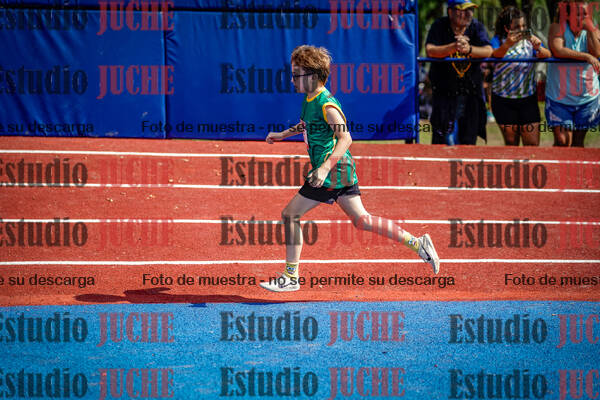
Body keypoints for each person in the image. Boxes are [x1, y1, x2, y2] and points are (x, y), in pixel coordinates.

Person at [259, 45, 440, 292]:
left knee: (290, 215)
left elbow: (346, 138)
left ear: (313, 76)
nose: (292, 80)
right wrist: (282, 134)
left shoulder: (327, 104)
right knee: (362, 220)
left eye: (296, 75)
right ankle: (418, 244)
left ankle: (291, 277)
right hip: (342, 171)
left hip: (332, 172)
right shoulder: (310, 99)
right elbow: (306, 124)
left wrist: (324, 168)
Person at [425, 0, 493, 145]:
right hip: (444, 93)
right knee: (444, 140)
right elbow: (430, 50)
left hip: (470, 94)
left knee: (468, 141)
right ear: (450, 11)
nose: (469, 14)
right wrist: (453, 47)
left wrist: (469, 49)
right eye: (463, 10)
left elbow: (488, 50)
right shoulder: (439, 25)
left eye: (471, 9)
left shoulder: (477, 27)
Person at [490, 6, 551, 146]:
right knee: (512, 144)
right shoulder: (498, 40)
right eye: (517, 27)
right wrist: (508, 44)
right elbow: (494, 55)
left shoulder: (529, 41)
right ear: (507, 28)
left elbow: (547, 55)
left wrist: (538, 47)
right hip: (503, 100)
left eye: (524, 26)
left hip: (528, 99)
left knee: (532, 144)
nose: (522, 29)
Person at [546, 0, 600, 146]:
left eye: (586, 14)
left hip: (586, 98)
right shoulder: (557, 27)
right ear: (568, 15)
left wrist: (590, 30)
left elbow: (596, 52)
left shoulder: (593, 30)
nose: (583, 17)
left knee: (578, 143)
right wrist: (586, 56)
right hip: (559, 98)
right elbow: (558, 50)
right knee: (562, 141)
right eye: (578, 14)